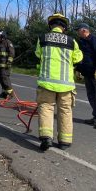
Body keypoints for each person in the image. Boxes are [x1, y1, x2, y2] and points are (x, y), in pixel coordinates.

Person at [35, 13, 82, 152]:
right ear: (64, 27)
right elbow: (78, 58)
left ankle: (46, 138)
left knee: (46, 108)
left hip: (46, 83)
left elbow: (38, 55)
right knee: (65, 111)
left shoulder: (42, 38)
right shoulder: (71, 41)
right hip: (66, 85)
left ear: (51, 25)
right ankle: (65, 141)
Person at [75, 23, 96, 129]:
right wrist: (78, 70)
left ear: (84, 30)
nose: (77, 33)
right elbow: (81, 58)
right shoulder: (81, 42)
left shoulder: (95, 40)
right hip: (88, 74)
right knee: (91, 96)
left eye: (78, 30)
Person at [0, 30, 15, 98]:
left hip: (6, 65)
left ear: (3, 36)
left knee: (5, 79)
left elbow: (12, 52)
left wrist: (9, 61)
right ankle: (4, 93)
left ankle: (10, 93)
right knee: (1, 79)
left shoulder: (8, 42)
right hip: (0, 65)